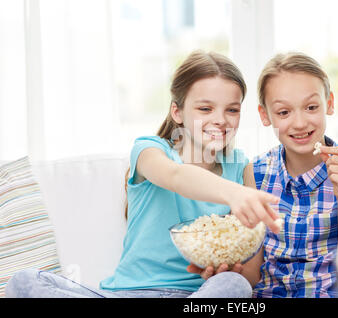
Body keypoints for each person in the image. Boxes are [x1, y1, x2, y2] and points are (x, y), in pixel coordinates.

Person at [5, 50, 281, 298]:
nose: (220, 119)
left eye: (232, 110)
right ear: (178, 111)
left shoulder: (240, 166)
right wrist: (234, 193)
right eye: (205, 108)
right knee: (24, 281)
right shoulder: (150, 150)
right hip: (125, 294)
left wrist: (226, 270)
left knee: (236, 286)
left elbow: (252, 276)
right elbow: (175, 176)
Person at [236, 52, 338, 297]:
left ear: (330, 103)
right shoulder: (255, 174)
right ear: (265, 115)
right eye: (284, 112)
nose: (300, 123)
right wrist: (223, 272)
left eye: (311, 107)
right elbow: (252, 274)